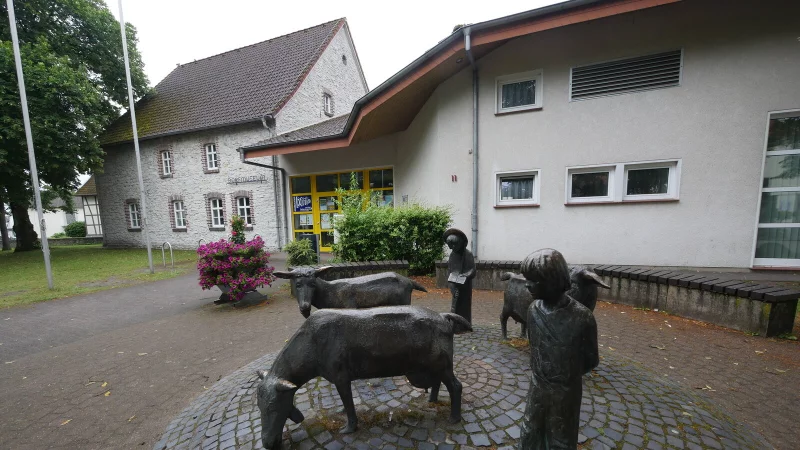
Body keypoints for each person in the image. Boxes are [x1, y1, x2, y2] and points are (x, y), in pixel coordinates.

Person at [518, 248, 599, 450]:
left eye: (534, 280)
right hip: (538, 385)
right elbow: (534, 347)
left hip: (566, 391)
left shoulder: (583, 317)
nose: (527, 284)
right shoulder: (533, 310)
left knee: (561, 438)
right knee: (530, 430)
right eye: (527, 279)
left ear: (552, 280)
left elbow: (591, 360)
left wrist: (563, 375)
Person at [443, 228, 475, 324]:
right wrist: (451, 282)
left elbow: (473, 270)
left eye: (454, 245)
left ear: (460, 243)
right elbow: (450, 269)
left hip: (465, 285)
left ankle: (465, 323)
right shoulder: (452, 255)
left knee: (464, 304)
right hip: (454, 283)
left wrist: (465, 276)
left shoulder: (468, 254)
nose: (452, 248)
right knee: (455, 304)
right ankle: (455, 323)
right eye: (450, 246)